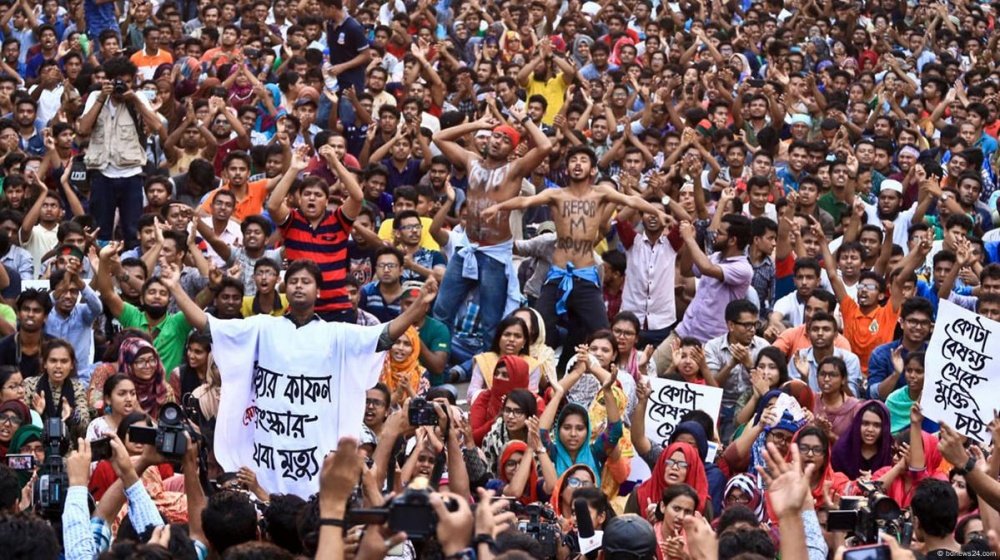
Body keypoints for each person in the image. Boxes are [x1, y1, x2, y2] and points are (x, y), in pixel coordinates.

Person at [163, 258, 439, 497]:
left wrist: (418, 307)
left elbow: (383, 336)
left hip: (314, 459)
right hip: (267, 455)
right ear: (285, 288)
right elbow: (208, 327)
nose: (298, 286)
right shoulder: (262, 327)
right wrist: (175, 287)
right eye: (293, 281)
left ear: (318, 291)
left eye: (306, 282)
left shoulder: (336, 334)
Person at [483, 145, 669, 367]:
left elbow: (632, 201)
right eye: (573, 160)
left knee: (601, 331)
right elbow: (524, 201)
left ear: (592, 169)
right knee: (536, 327)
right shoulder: (555, 194)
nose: (578, 164)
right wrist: (498, 208)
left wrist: (656, 211)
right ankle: (522, 371)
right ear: (567, 168)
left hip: (586, 277)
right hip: (557, 275)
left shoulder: (600, 193)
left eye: (583, 160)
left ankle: (616, 376)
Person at [431, 106, 551, 357]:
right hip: (468, 247)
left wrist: (525, 120)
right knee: (442, 310)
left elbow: (545, 146)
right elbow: (439, 137)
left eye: (506, 140)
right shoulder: (471, 160)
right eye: (496, 136)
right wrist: (477, 124)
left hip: (494, 253)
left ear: (513, 149)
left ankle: (488, 373)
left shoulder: (514, 169)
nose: (498, 141)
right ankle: (438, 366)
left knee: (491, 323)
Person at [78, 57, 164, 248]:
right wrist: (102, 98)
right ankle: (101, 264)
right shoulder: (96, 96)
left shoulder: (137, 97)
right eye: (118, 81)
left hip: (131, 174)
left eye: (127, 81)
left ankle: (133, 262)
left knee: (133, 230)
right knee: (100, 230)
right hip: (102, 173)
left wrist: (134, 100)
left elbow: (157, 126)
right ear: (108, 80)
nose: (123, 86)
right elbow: (83, 129)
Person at [831, 401, 894, 480]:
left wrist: (874, 480)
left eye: (877, 425)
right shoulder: (841, 450)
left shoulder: (892, 452)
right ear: (857, 424)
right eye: (865, 423)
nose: (870, 429)